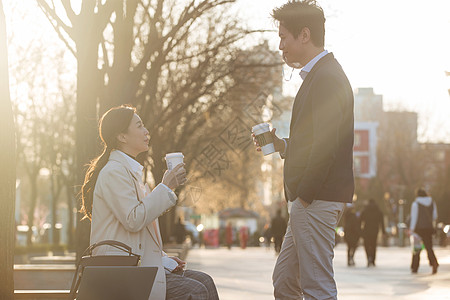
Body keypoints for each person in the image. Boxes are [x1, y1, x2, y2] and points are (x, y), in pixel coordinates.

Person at [253, 1, 355, 299]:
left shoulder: (326, 78)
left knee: (316, 286)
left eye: (284, 37)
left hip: (316, 198)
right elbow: (315, 139)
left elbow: (326, 146)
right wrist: (281, 144)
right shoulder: (319, 76)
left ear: (305, 35)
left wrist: (305, 196)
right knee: (286, 280)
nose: (280, 45)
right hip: (311, 198)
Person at [81, 105, 219, 300]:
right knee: (196, 291)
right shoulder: (114, 172)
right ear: (122, 136)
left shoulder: (130, 172)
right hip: (122, 272)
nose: (146, 131)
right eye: (139, 126)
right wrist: (165, 187)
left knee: (205, 281)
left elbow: (139, 231)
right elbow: (134, 219)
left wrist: (162, 258)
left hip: (135, 266)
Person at [409, 188, 439, 274]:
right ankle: (434, 262)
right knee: (429, 247)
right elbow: (434, 216)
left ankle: (415, 267)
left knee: (417, 248)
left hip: (418, 229)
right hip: (428, 228)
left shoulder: (416, 204)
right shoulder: (432, 202)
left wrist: (411, 230)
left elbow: (414, 218)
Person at [360, 199, 385, 267]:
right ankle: (373, 260)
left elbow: (360, 220)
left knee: (367, 245)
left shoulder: (365, 210)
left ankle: (368, 257)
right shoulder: (378, 211)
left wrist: (360, 231)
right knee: (373, 245)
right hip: (375, 230)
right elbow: (382, 222)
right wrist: (383, 232)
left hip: (366, 230)